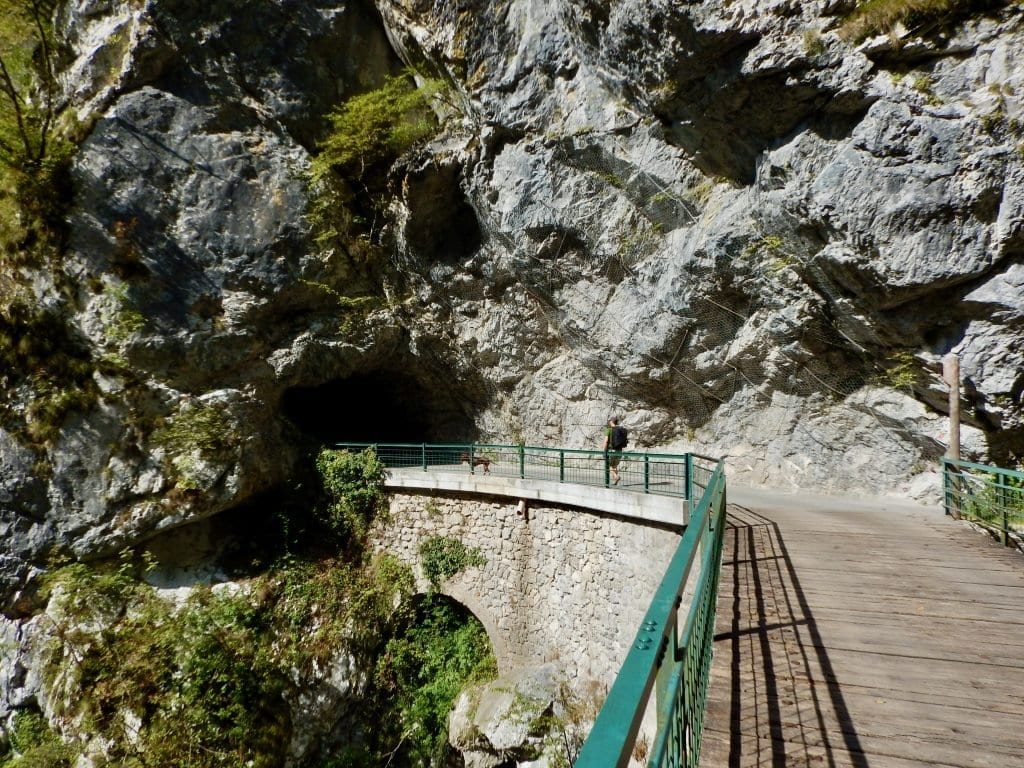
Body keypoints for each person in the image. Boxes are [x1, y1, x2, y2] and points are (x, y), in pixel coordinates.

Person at [603, 416, 623, 485]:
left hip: (611, 451)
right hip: (619, 451)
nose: (608, 422)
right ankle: (615, 481)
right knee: (614, 466)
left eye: (609, 421)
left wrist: (604, 450)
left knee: (609, 466)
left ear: (611, 421)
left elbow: (606, 441)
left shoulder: (609, 430)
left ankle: (616, 477)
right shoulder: (620, 429)